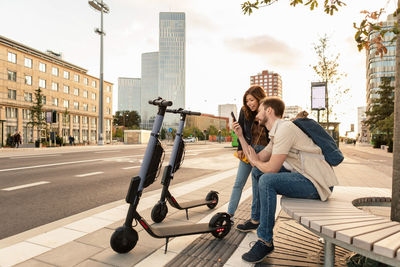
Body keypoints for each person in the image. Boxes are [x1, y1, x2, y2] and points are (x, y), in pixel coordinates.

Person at [233, 97, 338, 263]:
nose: (257, 115)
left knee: (267, 180)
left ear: (269, 111)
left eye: (259, 110)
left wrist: (258, 163)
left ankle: (265, 241)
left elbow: (271, 168)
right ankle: (257, 219)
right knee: (258, 173)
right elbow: (257, 159)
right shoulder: (276, 133)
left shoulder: (285, 129)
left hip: (318, 183)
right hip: (305, 176)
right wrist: (240, 136)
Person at [227, 86, 270, 225]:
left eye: (252, 100)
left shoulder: (267, 110)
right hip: (247, 150)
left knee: (257, 187)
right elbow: (241, 130)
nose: (250, 103)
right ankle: (230, 214)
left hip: (263, 152)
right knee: (238, 183)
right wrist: (240, 147)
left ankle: (255, 219)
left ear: (259, 98)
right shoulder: (244, 111)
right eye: (247, 101)